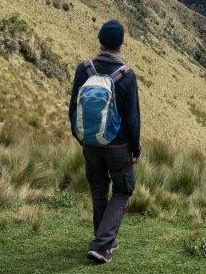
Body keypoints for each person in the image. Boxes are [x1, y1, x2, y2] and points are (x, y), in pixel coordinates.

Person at [68, 19, 141, 265]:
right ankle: (102, 244)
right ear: (120, 45)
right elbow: (132, 119)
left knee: (99, 187)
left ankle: (105, 238)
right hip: (118, 146)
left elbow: (72, 110)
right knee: (123, 189)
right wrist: (136, 149)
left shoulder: (84, 68)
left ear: (100, 41)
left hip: (90, 142)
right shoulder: (127, 76)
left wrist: (81, 138)